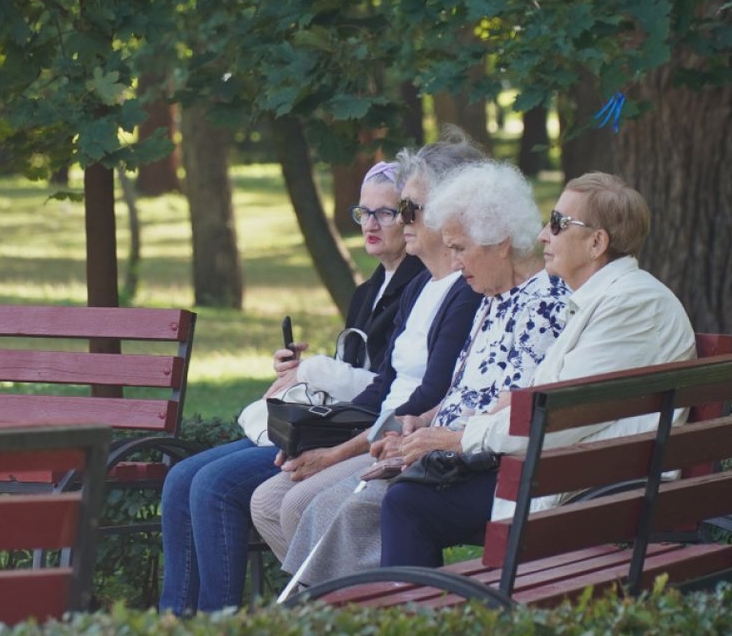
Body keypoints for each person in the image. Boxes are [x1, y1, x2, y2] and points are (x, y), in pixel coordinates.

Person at [265, 159, 569, 586]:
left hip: (485, 466)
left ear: (501, 242)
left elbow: (513, 412)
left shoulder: (542, 304)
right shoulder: (492, 296)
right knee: (336, 502)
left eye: (461, 248)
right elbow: (466, 392)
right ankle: (344, 613)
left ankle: (363, 614)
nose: (456, 262)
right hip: (444, 454)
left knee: (368, 505)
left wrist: (431, 440)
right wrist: (419, 422)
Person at [377, 171, 695, 568]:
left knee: (409, 504)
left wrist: (457, 440)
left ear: (597, 243)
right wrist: (515, 403)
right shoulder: (607, 300)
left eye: (559, 224)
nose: (544, 234)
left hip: (595, 489)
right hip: (580, 472)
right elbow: (562, 398)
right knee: (410, 498)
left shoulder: (630, 306)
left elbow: (556, 418)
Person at [157, 160, 424, 614]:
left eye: (385, 213)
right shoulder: (368, 291)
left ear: (411, 215)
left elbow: (383, 386)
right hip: (328, 420)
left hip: (347, 434)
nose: (372, 225)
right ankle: (175, 621)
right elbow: (355, 369)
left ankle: (217, 623)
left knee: (213, 485)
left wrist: (318, 374)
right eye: (363, 213)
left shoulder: (421, 284)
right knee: (181, 476)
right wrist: (298, 370)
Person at [248, 135, 486, 565]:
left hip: (403, 442)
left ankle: (354, 610)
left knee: (297, 504)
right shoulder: (418, 287)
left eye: (408, 209)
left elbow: (428, 398)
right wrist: (319, 433)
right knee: (267, 501)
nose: (401, 219)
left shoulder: (466, 292)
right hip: (377, 433)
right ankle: (341, 608)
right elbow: (385, 386)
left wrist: (338, 452)